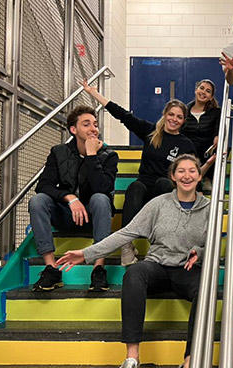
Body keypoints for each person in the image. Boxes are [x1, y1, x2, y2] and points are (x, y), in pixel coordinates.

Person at [56, 154, 209, 368]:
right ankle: (132, 358)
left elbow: (213, 244)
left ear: (200, 176)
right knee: (134, 273)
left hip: (188, 270)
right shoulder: (158, 204)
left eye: (192, 171)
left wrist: (198, 253)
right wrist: (86, 254)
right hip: (157, 266)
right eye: (181, 171)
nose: (187, 176)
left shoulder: (210, 208)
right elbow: (126, 233)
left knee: (206, 287)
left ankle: (189, 365)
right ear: (173, 176)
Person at [83, 80, 214, 265]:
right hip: (144, 188)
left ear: (184, 121)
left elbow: (191, 173)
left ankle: (159, 241)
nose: (174, 119)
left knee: (164, 183)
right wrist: (93, 93)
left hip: (165, 194)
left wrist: (203, 177)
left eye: (179, 117)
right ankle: (127, 246)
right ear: (165, 114)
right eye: (171, 115)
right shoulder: (151, 132)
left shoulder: (186, 144)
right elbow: (123, 115)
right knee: (135, 186)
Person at [29, 105, 119, 292]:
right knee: (38, 201)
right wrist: (70, 198)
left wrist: (92, 155)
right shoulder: (58, 152)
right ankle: (51, 268)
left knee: (101, 198)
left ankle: (98, 268)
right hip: (66, 214)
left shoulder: (109, 156)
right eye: (86, 124)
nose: (93, 128)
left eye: (95, 124)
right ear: (73, 129)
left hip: (94, 218)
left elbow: (104, 188)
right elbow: (43, 185)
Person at [183, 79, 221, 190]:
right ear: (196, 90)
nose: (203, 92)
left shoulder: (216, 112)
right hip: (190, 151)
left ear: (211, 97)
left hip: (207, 149)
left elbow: (218, 130)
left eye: (208, 91)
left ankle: (208, 178)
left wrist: (217, 136)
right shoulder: (185, 111)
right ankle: (194, 181)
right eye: (202, 88)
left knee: (218, 145)